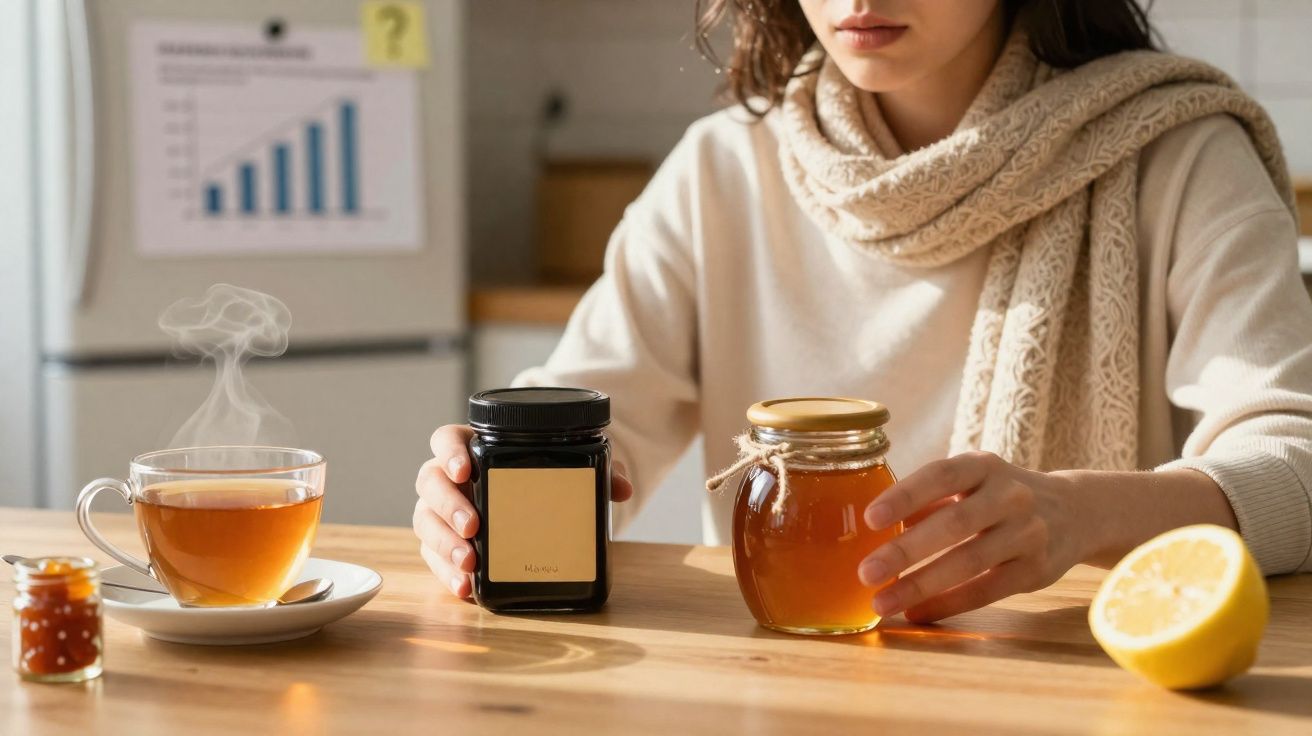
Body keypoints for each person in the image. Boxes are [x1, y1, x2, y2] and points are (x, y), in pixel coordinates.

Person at [415, 0, 1312, 623]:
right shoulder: (723, 170)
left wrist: (1080, 513)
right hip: (789, 677)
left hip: (1089, 687)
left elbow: (1297, 464)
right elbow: (587, 415)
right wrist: (485, 492)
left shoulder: (1180, 154)